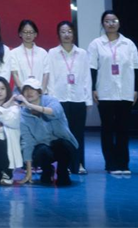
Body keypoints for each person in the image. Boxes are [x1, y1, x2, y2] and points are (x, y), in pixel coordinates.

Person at [88, 10, 138, 175]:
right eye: (107, 21)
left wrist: (136, 89)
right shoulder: (96, 44)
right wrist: (93, 88)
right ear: (102, 24)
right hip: (105, 92)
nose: (111, 24)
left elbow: (137, 67)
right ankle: (110, 163)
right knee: (108, 128)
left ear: (119, 23)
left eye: (114, 20)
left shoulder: (128, 44)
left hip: (125, 91)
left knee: (123, 129)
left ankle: (123, 163)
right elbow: (92, 68)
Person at [43, 21, 92, 175]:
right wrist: (52, 99)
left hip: (78, 98)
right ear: (58, 34)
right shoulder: (52, 53)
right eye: (63, 31)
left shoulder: (82, 53)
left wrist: (88, 100)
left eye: (69, 31)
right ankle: (65, 165)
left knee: (78, 133)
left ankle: (79, 164)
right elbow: (50, 77)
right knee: (62, 134)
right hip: (59, 99)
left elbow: (87, 77)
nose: (66, 34)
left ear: (73, 33)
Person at [18, 78, 78, 186]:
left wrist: (30, 105)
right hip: (42, 147)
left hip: (61, 143)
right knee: (42, 150)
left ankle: (62, 171)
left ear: (39, 92)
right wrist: (28, 172)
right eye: (26, 90)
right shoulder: (23, 114)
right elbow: (27, 142)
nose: (29, 92)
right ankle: (47, 170)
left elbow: (55, 112)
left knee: (63, 145)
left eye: (33, 89)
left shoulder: (51, 101)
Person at [9, 20, 48, 90]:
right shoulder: (13, 53)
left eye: (31, 32)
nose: (28, 35)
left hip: (39, 91)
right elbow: (14, 74)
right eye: (25, 32)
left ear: (35, 34)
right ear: (20, 34)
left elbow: (46, 74)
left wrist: (41, 91)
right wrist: (23, 90)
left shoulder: (43, 53)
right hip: (20, 92)